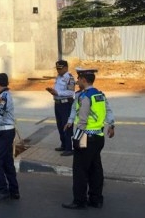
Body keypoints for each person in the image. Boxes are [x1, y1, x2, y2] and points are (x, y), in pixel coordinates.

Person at [62, 68, 115, 210]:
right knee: (95, 169)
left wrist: (76, 139)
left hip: (85, 137)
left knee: (80, 170)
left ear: (84, 80)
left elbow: (83, 120)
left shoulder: (85, 97)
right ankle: (96, 199)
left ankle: (79, 201)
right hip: (98, 137)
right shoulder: (99, 95)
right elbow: (108, 110)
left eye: (78, 79)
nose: (77, 81)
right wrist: (111, 125)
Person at [0, 73, 20, 203]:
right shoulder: (3, 96)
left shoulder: (4, 97)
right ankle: (14, 190)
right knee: (7, 162)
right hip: (7, 132)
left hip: (5, 132)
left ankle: (2, 191)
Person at [46, 60, 76, 156]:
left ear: (66, 68)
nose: (58, 70)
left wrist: (58, 93)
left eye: (60, 68)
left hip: (66, 104)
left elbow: (71, 93)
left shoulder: (69, 78)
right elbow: (58, 90)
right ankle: (63, 144)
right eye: (57, 69)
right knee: (60, 126)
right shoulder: (58, 77)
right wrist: (53, 92)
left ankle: (69, 148)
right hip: (58, 104)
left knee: (67, 126)